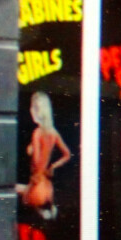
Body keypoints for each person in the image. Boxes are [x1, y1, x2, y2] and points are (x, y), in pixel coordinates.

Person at [17, 91, 71, 220]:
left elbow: (36, 160)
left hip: (36, 186)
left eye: (33, 107)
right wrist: (53, 166)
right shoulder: (53, 133)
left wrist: (30, 151)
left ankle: (43, 212)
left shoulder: (37, 133)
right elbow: (67, 154)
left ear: (37, 111)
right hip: (47, 187)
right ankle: (47, 211)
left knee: (11, 190)